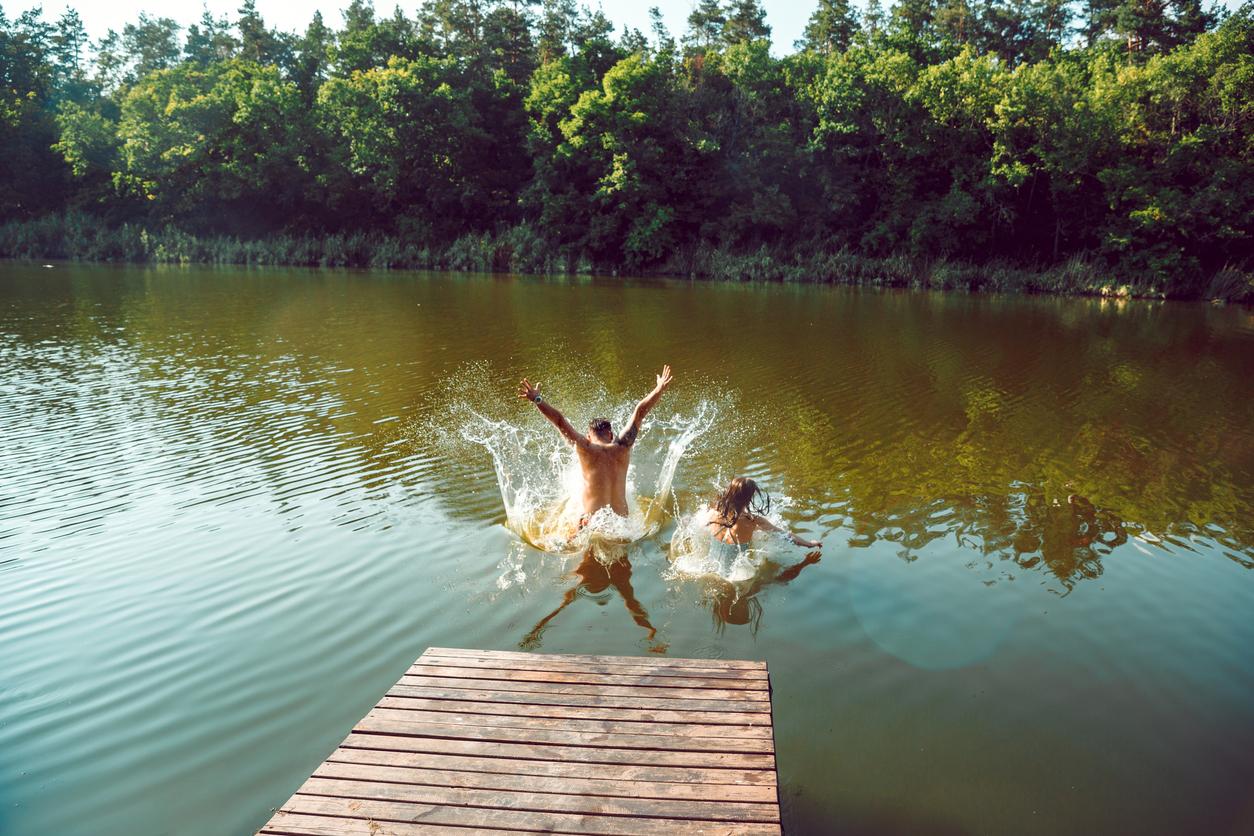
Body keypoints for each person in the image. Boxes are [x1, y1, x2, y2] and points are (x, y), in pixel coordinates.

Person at [516, 365, 672, 526]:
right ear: (610, 435)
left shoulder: (585, 447)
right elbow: (640, 411)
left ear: (589, 436)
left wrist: (537, 399)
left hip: (592, 523)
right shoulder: (623, 446)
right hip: (622, 524)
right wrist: (659, 388)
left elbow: (560, 421)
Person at [707, 476, 822, 550]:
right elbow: (785, 535)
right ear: (749, 498)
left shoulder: (715, 512)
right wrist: (809, 544)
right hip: (734, 576)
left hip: (710, 567)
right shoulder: (753, 520)